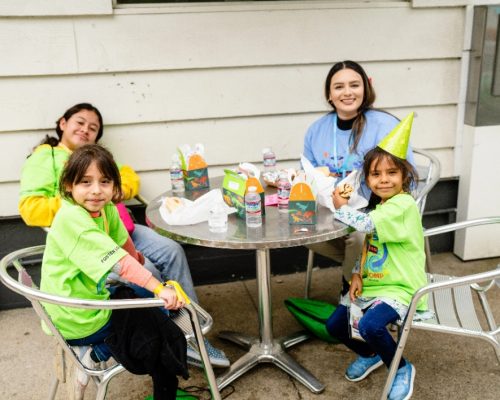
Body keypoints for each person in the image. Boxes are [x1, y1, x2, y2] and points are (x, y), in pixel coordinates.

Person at [18, 103, 229, 368]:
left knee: (171, 250)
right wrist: (79, 206)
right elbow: (30, 208)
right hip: (90, 239)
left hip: (120, 226)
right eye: (80, 123)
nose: (85, 130)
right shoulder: (46, 157)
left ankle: (192, 330)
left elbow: (127, 180)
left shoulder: (97, 158)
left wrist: (113, 191)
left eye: (92, 128)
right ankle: (175, 335)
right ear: (62, 123)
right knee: (147, 273)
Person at [40, 144, 187, 400]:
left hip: (89, 301)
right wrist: (159, 288)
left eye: (105, 181)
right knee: (158, 333)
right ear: (68, 185)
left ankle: (164, 373)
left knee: (150, 315)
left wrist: (140, 261)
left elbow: (124, 246)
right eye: (85, 182)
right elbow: (120, 263)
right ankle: (96, 352)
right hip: (76, 315)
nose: (96, 190)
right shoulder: (72, 218)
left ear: (114, 186)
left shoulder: (105, 208)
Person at [326, 113, 427, 400]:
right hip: (374, 283)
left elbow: (365, 226)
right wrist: (357, 273)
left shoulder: (403, 204)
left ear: (404, 176)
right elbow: (369, 244)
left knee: (371, 325)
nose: (384, 180)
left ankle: (400, 368)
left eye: (391, 173)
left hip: (401, 287)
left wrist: (339, 206)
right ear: (367, 179)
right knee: (335, 325)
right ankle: (371, 353)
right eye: (376, 174)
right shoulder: (380, 206)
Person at [303, 60, 415, 295]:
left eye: (354, 85)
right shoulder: (317, 130)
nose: (347, 92)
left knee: (357, 237)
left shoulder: (385, 125)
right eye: (338, 87)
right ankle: (364, 270)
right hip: (330, 207)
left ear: (366, 87)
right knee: (301, 230)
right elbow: (309, 175)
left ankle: (350, 291)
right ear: (329, 94)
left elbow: (407, 178)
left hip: (376, 211)